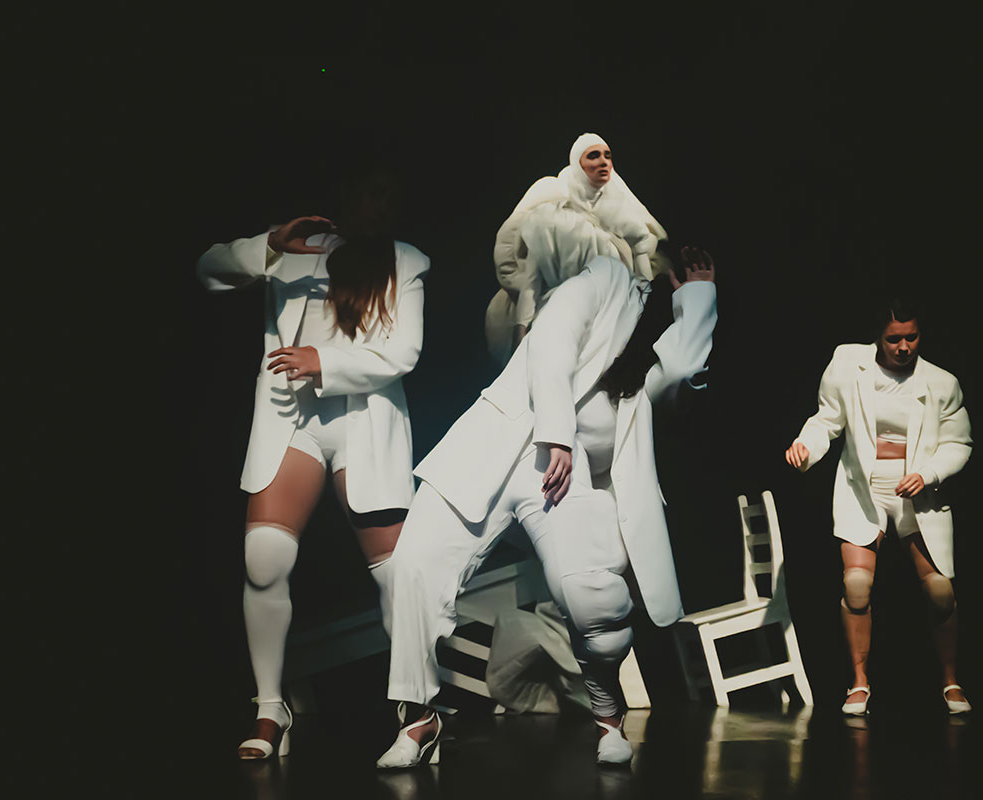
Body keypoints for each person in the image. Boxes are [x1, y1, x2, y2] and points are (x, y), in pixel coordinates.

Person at [376, 247, 717, 768]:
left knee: (596, 604)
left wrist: (697, 298)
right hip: (501, 446)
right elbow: (553, 336)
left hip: (563, 477)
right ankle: (420, 718)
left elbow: (683, 372)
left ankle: (607, 712)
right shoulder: (607, 278)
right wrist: (556, 433)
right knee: (412, 566)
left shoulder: (647, 363)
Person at [196, 167, 430, 759]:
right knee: (264, 558)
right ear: (346, 196)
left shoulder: (405, 261)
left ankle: (419, 712)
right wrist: (270, 245)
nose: (378, 205)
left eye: (389, 195)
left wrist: (322, 362)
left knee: (396, 574)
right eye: (369, 192)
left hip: (363, 422)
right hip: (291, 419)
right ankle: (270, 708)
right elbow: (208, 270)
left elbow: (404, 351)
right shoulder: (294, 251)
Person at [784, 298, 973, 715]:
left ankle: (951, 680)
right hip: (863, 490)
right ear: (878, 337)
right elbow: (827, 420)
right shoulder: (848, 364)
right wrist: (806, 446)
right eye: (894, 339)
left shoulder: (942, 383)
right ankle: (858, 682)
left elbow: (958, 443)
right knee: (856, 585)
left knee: (940, 592)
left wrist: (928, 473)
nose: (904, 347)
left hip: (917, 494)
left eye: (912, 337)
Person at [484, 132, 668, 362]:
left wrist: (644, 317)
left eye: (607, 155)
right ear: (578, 163)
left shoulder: (621, 211)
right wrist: (521, 332)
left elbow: (643, 272)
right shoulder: (553, 215)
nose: (603, 162)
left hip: (611, 313)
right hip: (560, 311)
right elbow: (531, 276)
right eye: (594, 155)